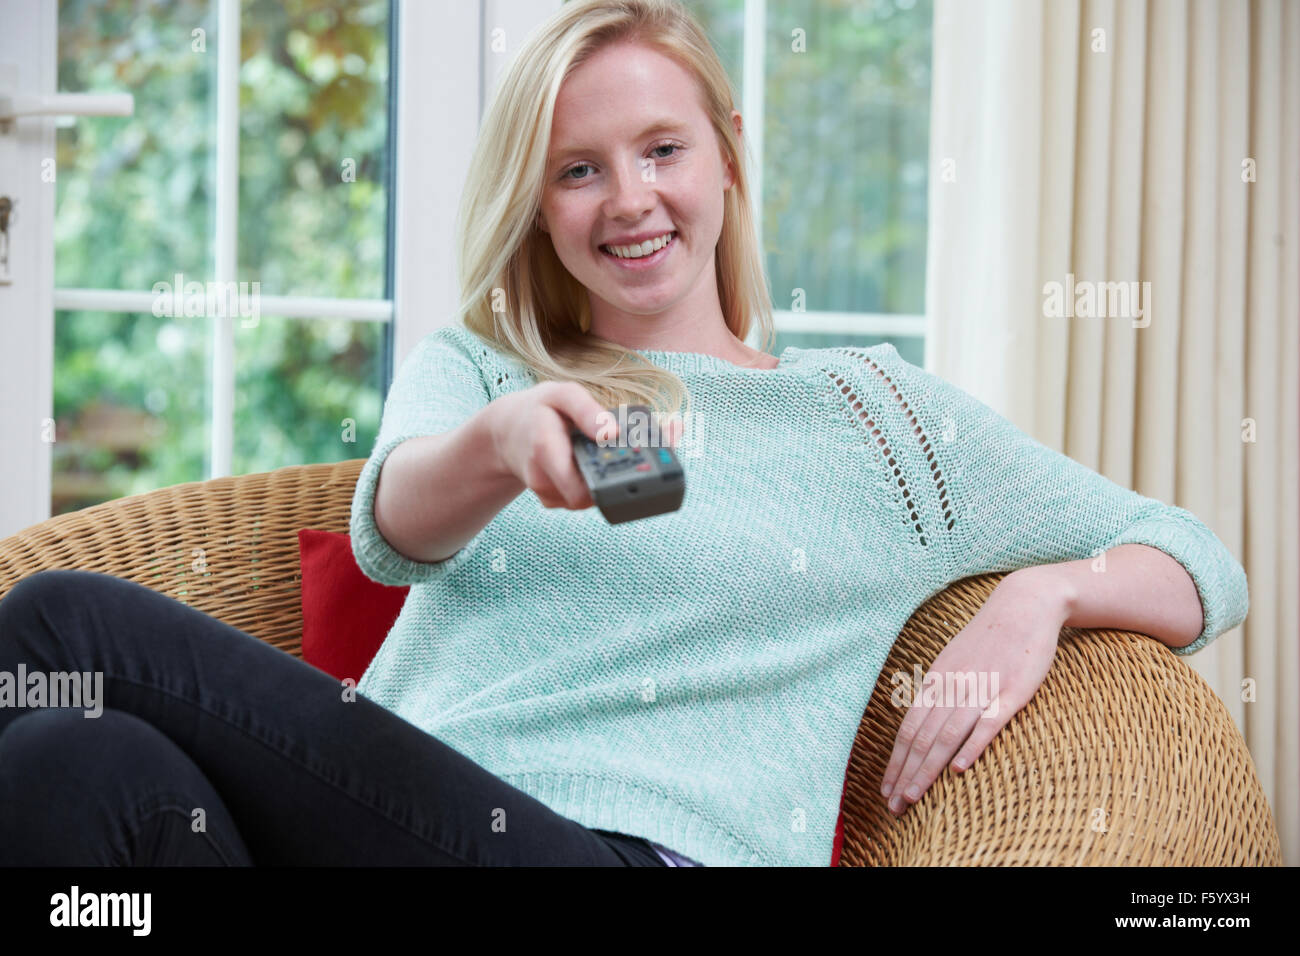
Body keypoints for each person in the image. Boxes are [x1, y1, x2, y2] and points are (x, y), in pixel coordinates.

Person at [0, 0, 1248, 868]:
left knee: (63, 624)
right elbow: (389, 531)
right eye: (579, 170)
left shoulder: (876, 422)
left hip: (631, 854)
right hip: (383, 828)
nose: (631, 198)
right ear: (538, 207)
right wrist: (500, 442)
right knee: (67, 760)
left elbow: (1196, 557)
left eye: (661, 150)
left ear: (728, 157)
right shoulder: (484, 367)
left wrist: (1042, 594)